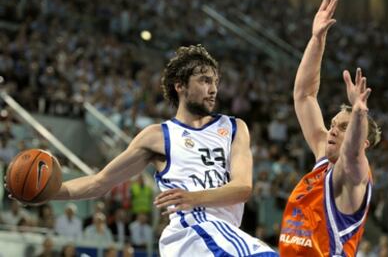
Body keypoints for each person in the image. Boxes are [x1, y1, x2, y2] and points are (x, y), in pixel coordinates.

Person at [33, 45, 277, 256]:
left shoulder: (233, 127)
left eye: (215, 81)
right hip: (191, 234)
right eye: (204, 80)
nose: (213, 89)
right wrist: (46, 193)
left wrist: (193, 197)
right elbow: (100, 182)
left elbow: (242, 188)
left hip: (222, 235)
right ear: (180, 86)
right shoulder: (158, 136)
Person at [278, 0, 381, 257]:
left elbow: (352, 153)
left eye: (343, 127)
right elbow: (304, 96)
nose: (333, 129)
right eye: (333, 124)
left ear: (364, 142)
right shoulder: (324, 158)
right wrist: (316, 40)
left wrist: (358, 113)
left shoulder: (354, 176)